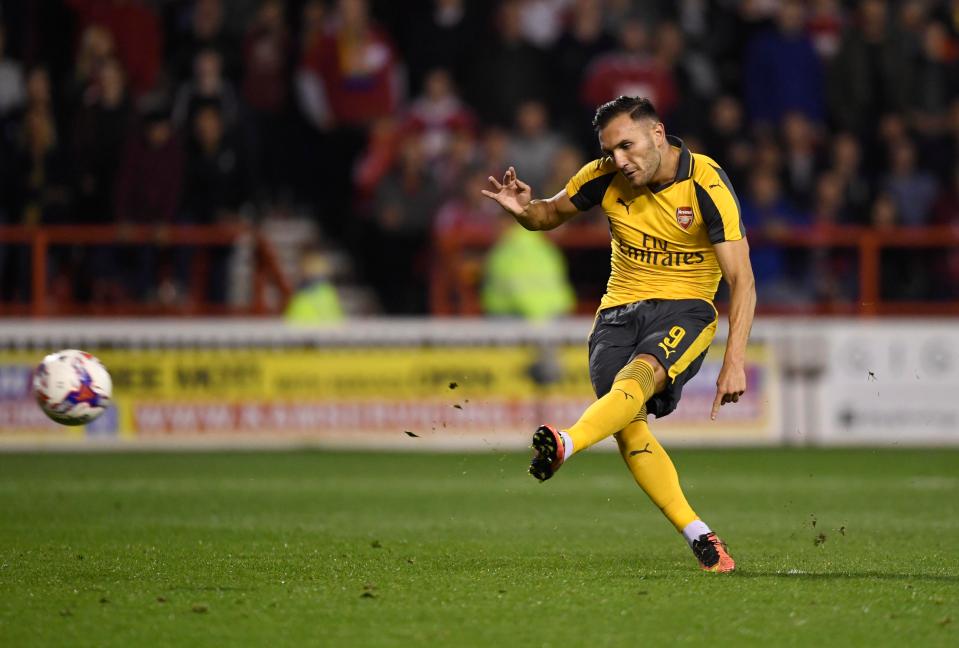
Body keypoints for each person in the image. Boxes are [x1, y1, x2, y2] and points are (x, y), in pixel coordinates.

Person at [481, 96, 756, 573]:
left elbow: (743, 280)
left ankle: (565, 442)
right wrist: (522, 210)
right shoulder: (602, 175)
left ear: (657, 133)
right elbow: (548, 215)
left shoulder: (706, 182)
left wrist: (734, 360)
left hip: (685, 309)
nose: (620, 161)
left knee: (641, 377)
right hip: (615, 316)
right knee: (627, 422)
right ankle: (700, 535)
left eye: (627, 146)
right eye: (611, 152)